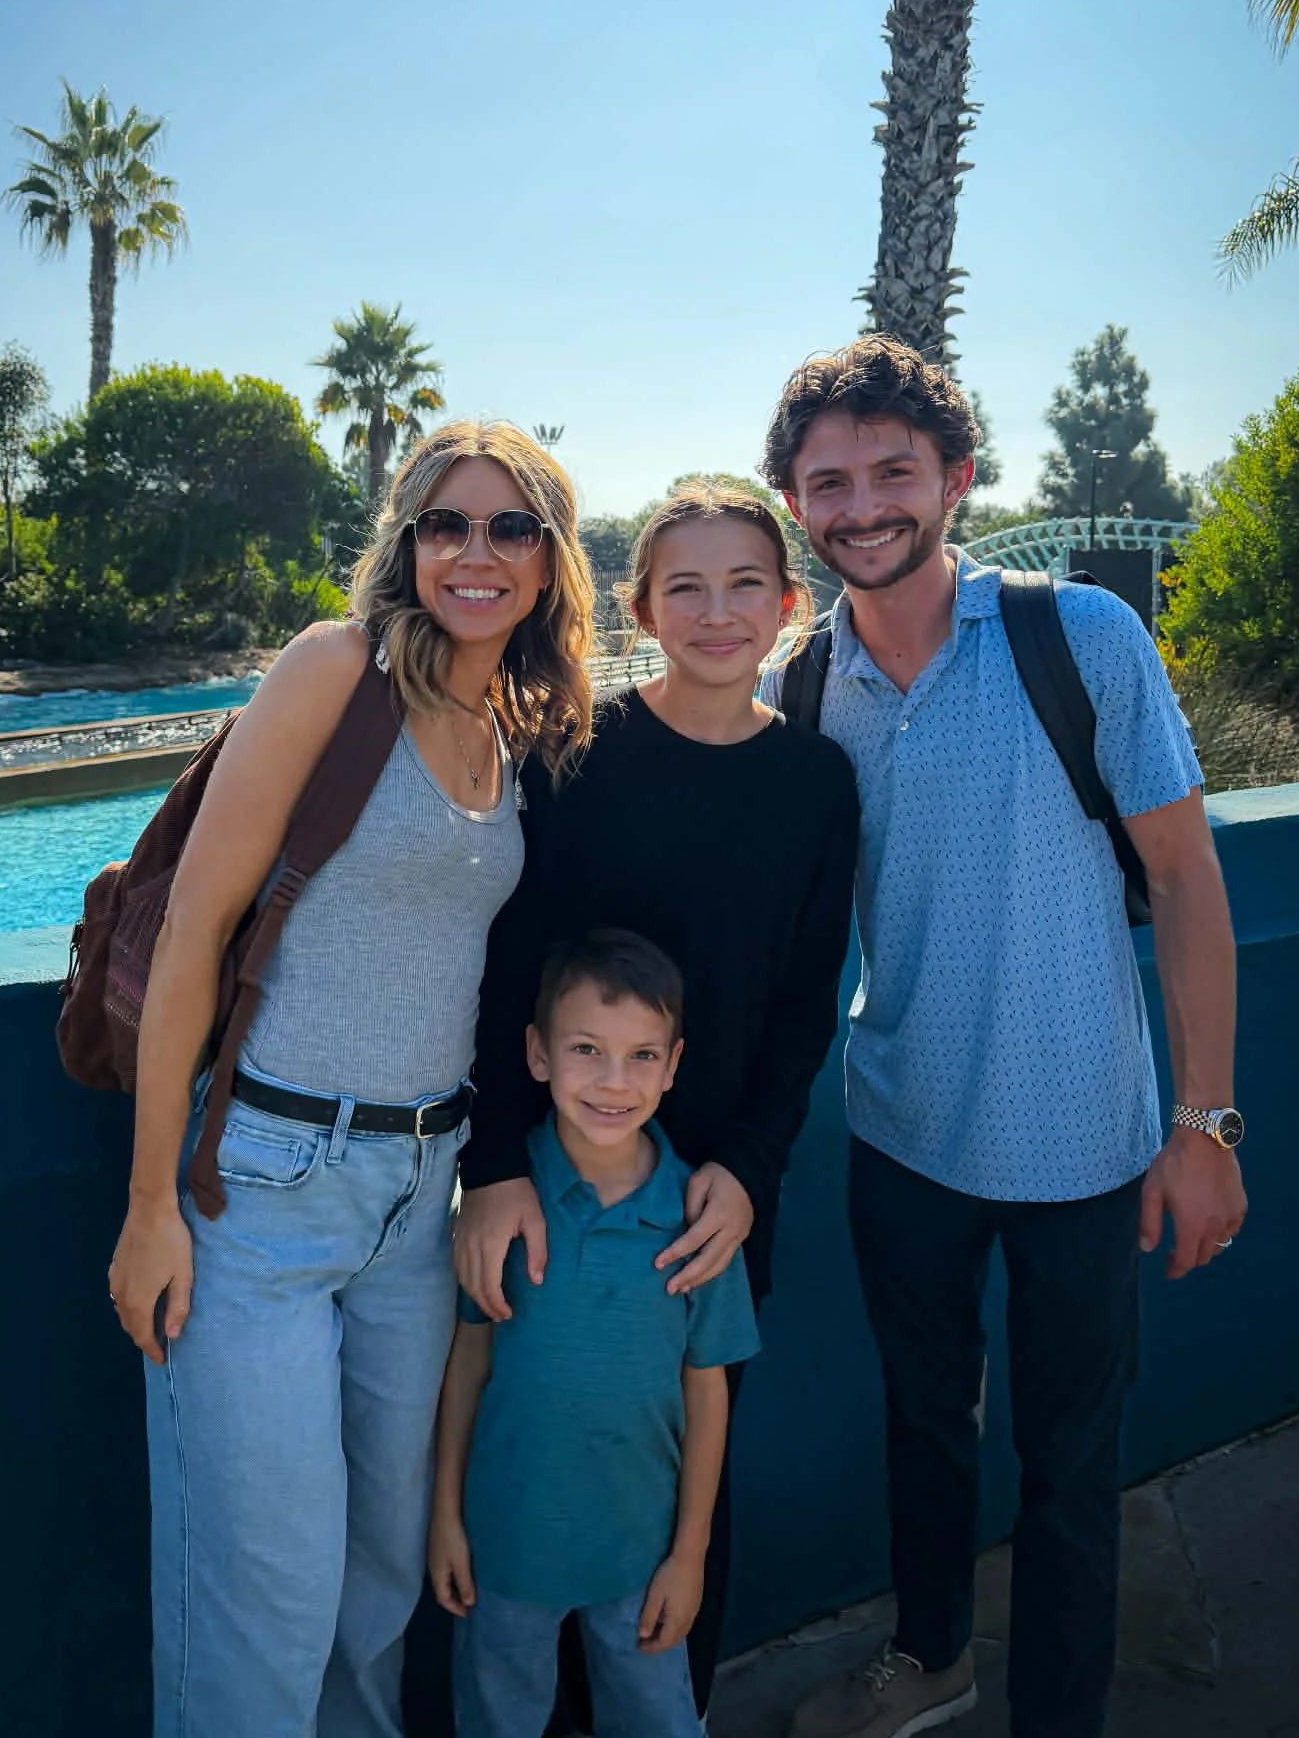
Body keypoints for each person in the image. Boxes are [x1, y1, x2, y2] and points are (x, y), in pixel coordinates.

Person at [752, 337, 1247, 1738]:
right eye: (829, 483)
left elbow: (1188, 882)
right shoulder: (804, 688)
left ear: (956, 480)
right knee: (922, 1430)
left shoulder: (1080, 637)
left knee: (1071, 1469)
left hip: (1085, 1140)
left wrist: (1204, 1126)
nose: (861, 507)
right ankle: (931, 1663)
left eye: (892, 472)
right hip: (901, 1134)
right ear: (801, 502)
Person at [105, 420, 597, 1738]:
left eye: (509, 528)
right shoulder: (337, 669)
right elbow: (197, 931)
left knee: (375, 1590)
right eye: (447, 523)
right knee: (260, 1597)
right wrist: (153, 1204)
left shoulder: (515, 721)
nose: (474, 553)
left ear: (550, 562)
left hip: (418, 1203)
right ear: (407, 541)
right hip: (262, 1190)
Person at [455, 479, 860, 1716]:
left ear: (790, 605)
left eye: (747, 583)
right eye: (685, 584)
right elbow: (502, 970)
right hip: (552, 1196)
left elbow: (803, 1010)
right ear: (641, 607)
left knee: (685, 1492)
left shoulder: (819, 784)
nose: (717, 609)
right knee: (535, 1474)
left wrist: (747, 1167)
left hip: (711, 1206)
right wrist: (492, 1166)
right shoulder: (571, 758)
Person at [429, 929, 760, 1738]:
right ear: (537, 1055)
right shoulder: (499, 1212)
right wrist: (442, 1516)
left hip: (641, 1559)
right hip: (505, 1551)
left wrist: (690, 1558)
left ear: (674, 1064)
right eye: (586, 1049)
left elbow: (708, 1393)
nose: (615, 1082)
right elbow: (467, 1362)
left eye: (642, 1056)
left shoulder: (697, 1223)